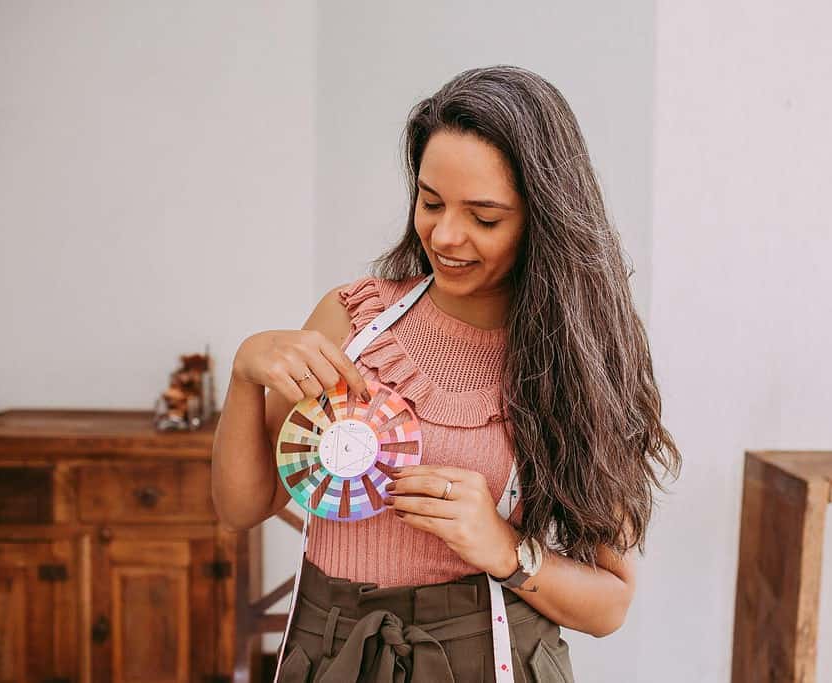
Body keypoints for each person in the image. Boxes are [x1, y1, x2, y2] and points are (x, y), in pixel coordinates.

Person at [211, 64, 682, 682]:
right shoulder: (352, 320)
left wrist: (505, 548)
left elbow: (610, 604)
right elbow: (242, 506)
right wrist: (247, 377)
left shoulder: (573, 363)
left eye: (485, 218)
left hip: (484, 657)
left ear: (542, 219)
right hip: (330, 647)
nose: (447, 234)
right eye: (430, 203)